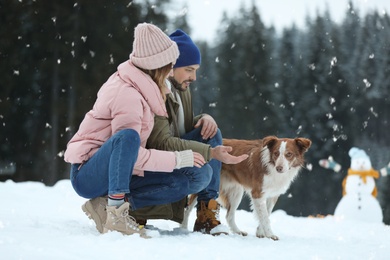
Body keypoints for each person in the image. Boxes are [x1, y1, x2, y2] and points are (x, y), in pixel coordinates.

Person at [64, 23, 211, 238]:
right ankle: (115, 213)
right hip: (88, 174)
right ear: (156, 66)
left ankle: (104, 205)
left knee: (180, 182)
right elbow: (129, 151)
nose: (172, 70)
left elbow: (132, 157)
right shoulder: (128, 93)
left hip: (117, 170)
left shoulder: (146, 88)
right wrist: (178, 159)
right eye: (169, 65)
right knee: (128, 137)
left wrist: (180, 162)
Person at [145, 29, 248, 235]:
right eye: (189, 69)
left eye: (196, 70)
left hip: (173, 148)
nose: (194, 77)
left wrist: (203, 119)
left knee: (212, 132)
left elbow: (178, 125)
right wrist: (208, 152)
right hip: (155, 159)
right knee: (205, 169)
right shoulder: (157, 90)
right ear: (171, 67)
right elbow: (161, 141)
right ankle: (204, 211)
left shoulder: (181, 88)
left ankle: (206, 213)